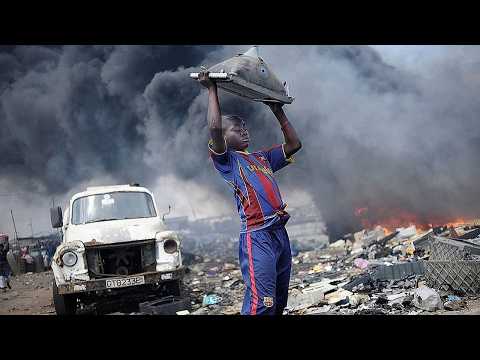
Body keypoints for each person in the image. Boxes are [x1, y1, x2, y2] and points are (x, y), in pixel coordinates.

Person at [198, 71, 302, 315]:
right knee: (261, 304)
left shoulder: (262, 158)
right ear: (223, 138)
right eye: (236, 129)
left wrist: (278, 111)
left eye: (244, 127)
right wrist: (212, 88)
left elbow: (294, 145)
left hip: (279, 233)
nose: (244, 131)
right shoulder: (227, 161)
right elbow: (213, 127)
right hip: (258, 237)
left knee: (278, 301)